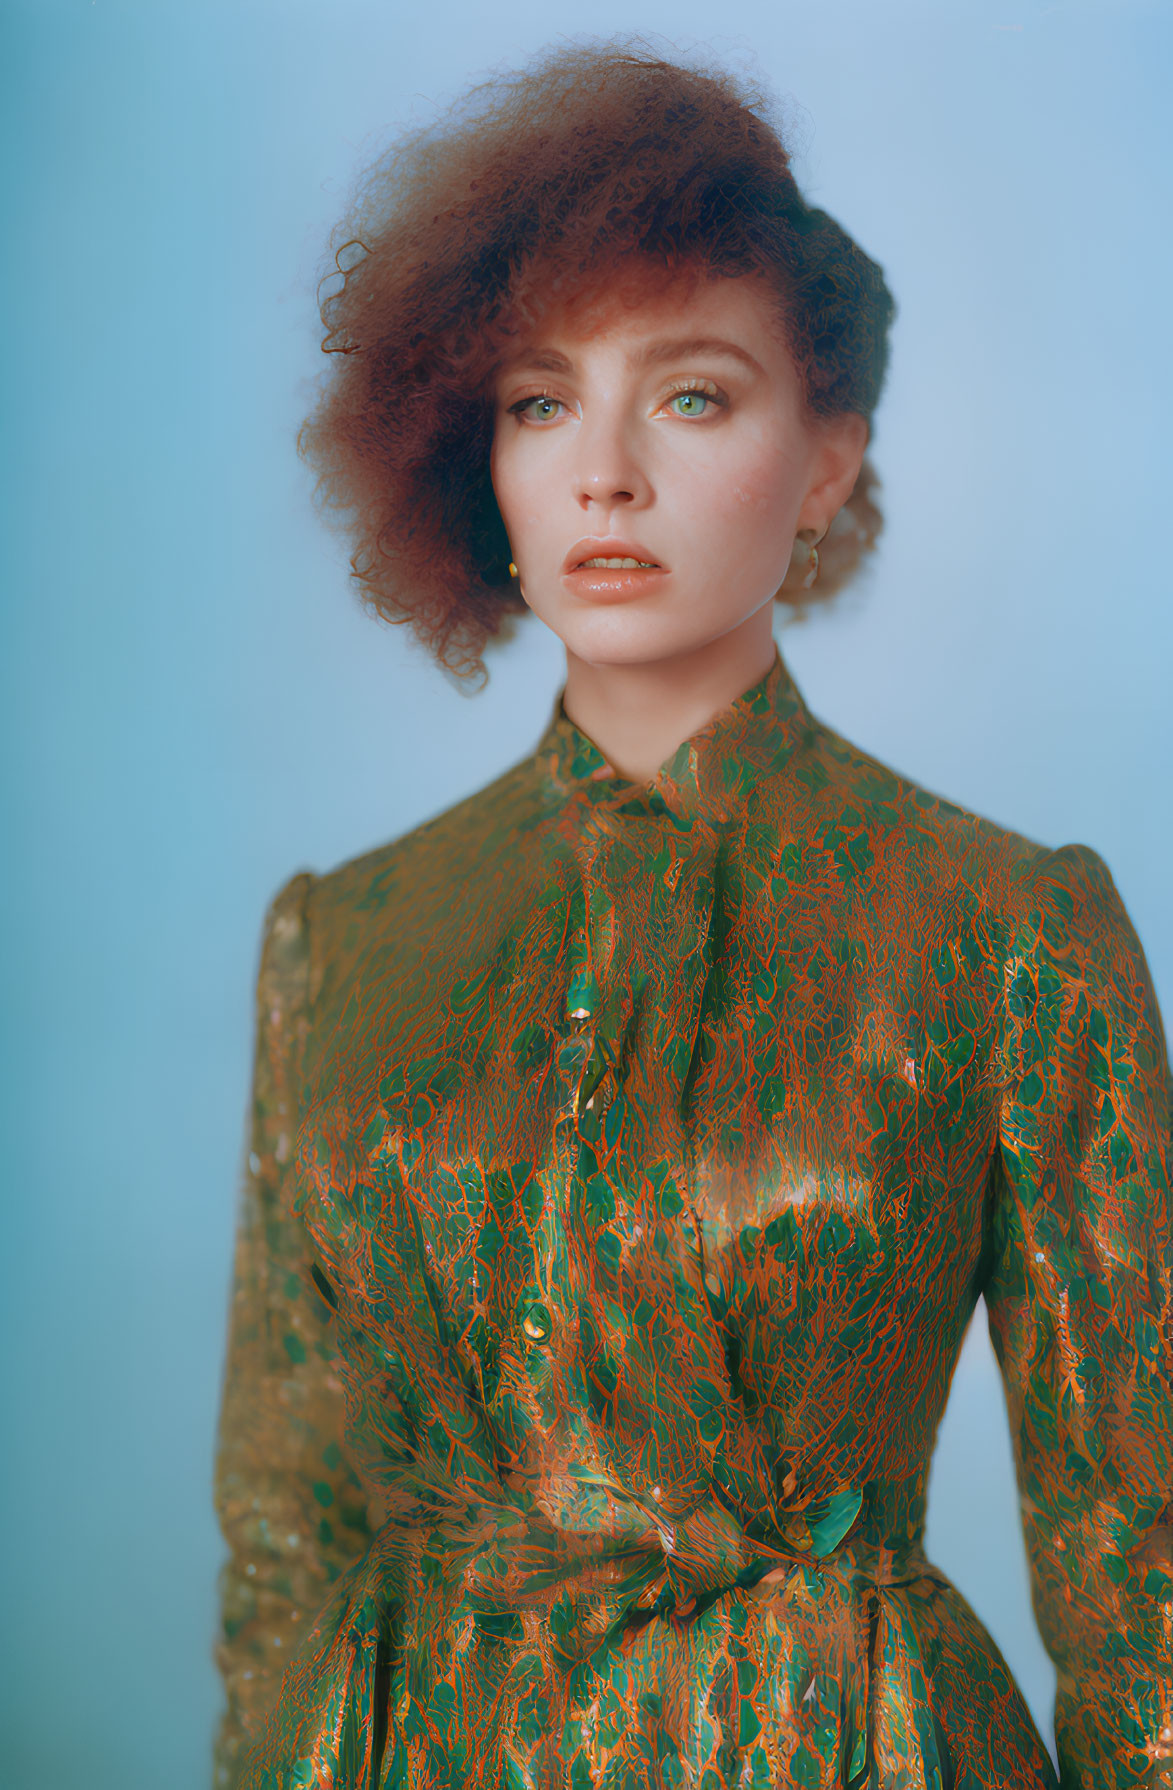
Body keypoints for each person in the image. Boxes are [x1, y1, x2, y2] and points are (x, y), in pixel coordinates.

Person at [213, 42, 1172, 1790]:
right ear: (473, 461)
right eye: (535, 400)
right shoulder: (339, 945)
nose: (602, 475)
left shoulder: (1011, 931)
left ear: (825, 462)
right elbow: (286, 1542)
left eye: (693, 396)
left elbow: (1145, 1571)